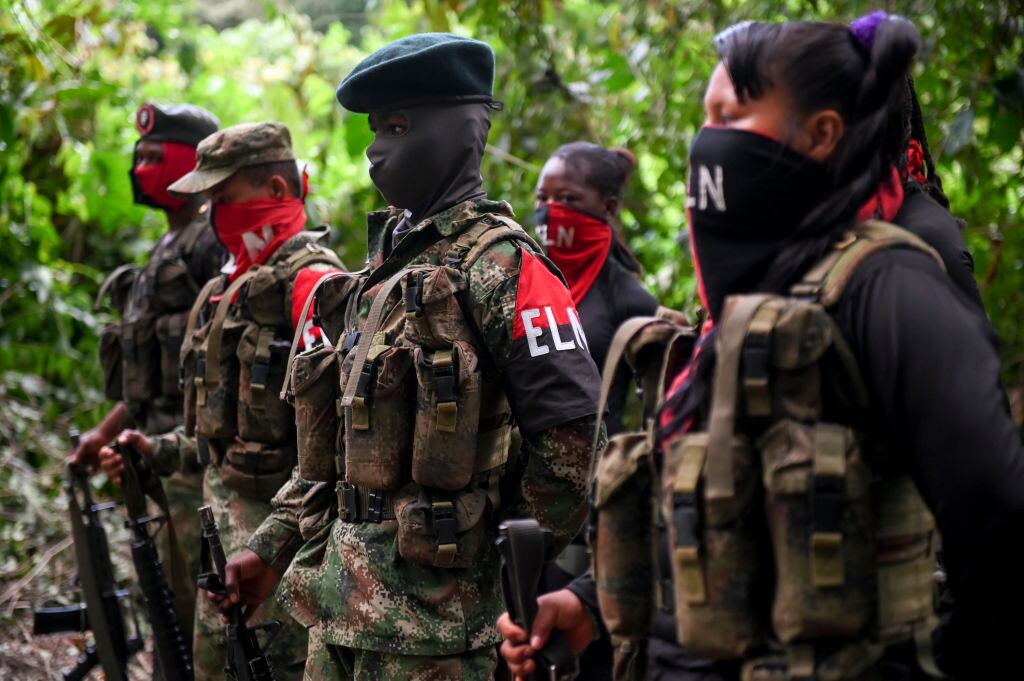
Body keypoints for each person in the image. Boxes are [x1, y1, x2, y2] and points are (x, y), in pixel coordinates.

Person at [501, 13, 1024, 680]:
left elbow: (997, 521)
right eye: (707, 115)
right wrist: (586, 605)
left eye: (734, 114)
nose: (709, 142)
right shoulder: (749, 301)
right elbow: (723, 509)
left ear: (822, 133)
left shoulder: (887, 285)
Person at [218, 33, 603, 680]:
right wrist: (270, 544)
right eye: (374, 130)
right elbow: (335, 451)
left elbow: (574, 446)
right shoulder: (379, 274)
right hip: (336, 617)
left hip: (441, 645)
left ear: (460, 130)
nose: (376, 150)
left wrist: (486, 565)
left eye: (397, 127)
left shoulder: (503, 266)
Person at [98, 121, 344, 680]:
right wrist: (159, 449)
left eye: (224, 198)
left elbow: (338, 451)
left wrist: (275, 548)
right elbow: (222, 432)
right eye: (208, 202)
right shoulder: (225, 289)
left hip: (277, 568)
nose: (213, 216)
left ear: (278, 194)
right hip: (221, 556)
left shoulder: (314, 286)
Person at [69, 101, 224, 641]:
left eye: (155, 157)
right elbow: (145, 384)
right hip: (148, 454)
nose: (141, 168)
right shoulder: (165, 246)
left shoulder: (212, 242)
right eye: (139, 156)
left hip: (192, 467)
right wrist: (102, 435)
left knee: (192, 612)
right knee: (163, 605)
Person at [534, 142, 659, 679]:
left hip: (595, 513)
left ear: (606, 207)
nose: (549, 211)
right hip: (523, 508)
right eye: (542, 197)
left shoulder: (631, 301)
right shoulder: (523, 280)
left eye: (567, 197)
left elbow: (656, 419)